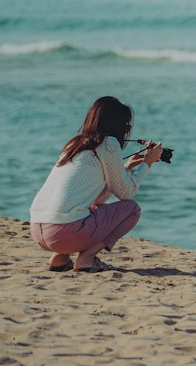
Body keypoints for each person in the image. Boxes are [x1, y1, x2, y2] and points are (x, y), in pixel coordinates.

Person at [30, 95, 165, 273]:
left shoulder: (75, 144)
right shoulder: (109, 143)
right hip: (64, 232)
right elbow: (127, 193)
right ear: (118, 125)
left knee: (89, 208)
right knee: (132, 209)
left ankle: (60, 257)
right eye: (127, 127)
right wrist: (147, 162)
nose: (126, 132)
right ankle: (86, 258)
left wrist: (125, 169)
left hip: (38, 229)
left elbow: (97, 198)